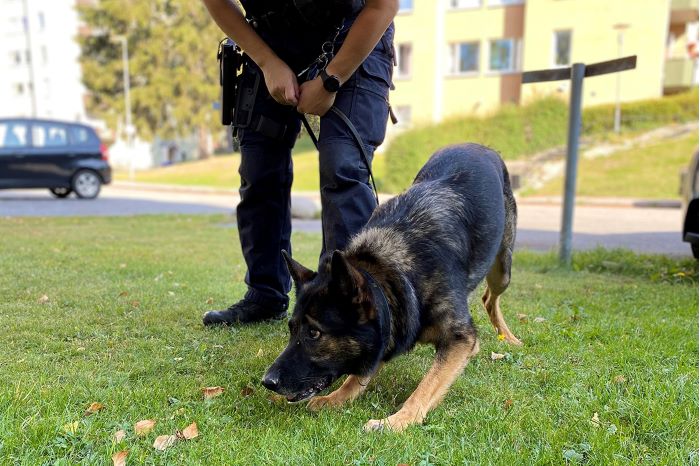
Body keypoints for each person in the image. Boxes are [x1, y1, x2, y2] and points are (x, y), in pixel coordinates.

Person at [200, 0, 398, 325]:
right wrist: (266, 62)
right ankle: (265, 294)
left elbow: (384, 5)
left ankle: (344, 308)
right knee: (259, 172)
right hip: (271, 38)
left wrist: (331, 80)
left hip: (355, 32)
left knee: (343, 168)